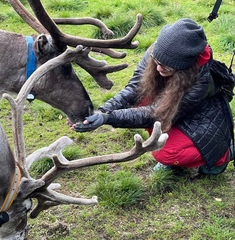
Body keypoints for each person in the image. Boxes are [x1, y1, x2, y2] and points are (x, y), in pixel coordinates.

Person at [68, 18, 234, 175]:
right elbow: (134, 89)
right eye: (156, 62)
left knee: (166, 154)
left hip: (203, 119)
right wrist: (101, 112)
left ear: (184, 69)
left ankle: (223, 153)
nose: (159, 68)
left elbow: (155, 113)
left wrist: (107, 118)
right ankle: (173, 142)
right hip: (172, 107)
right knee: (142, 97)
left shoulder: (201, 81)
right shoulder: (158, 51)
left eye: (167, 68)